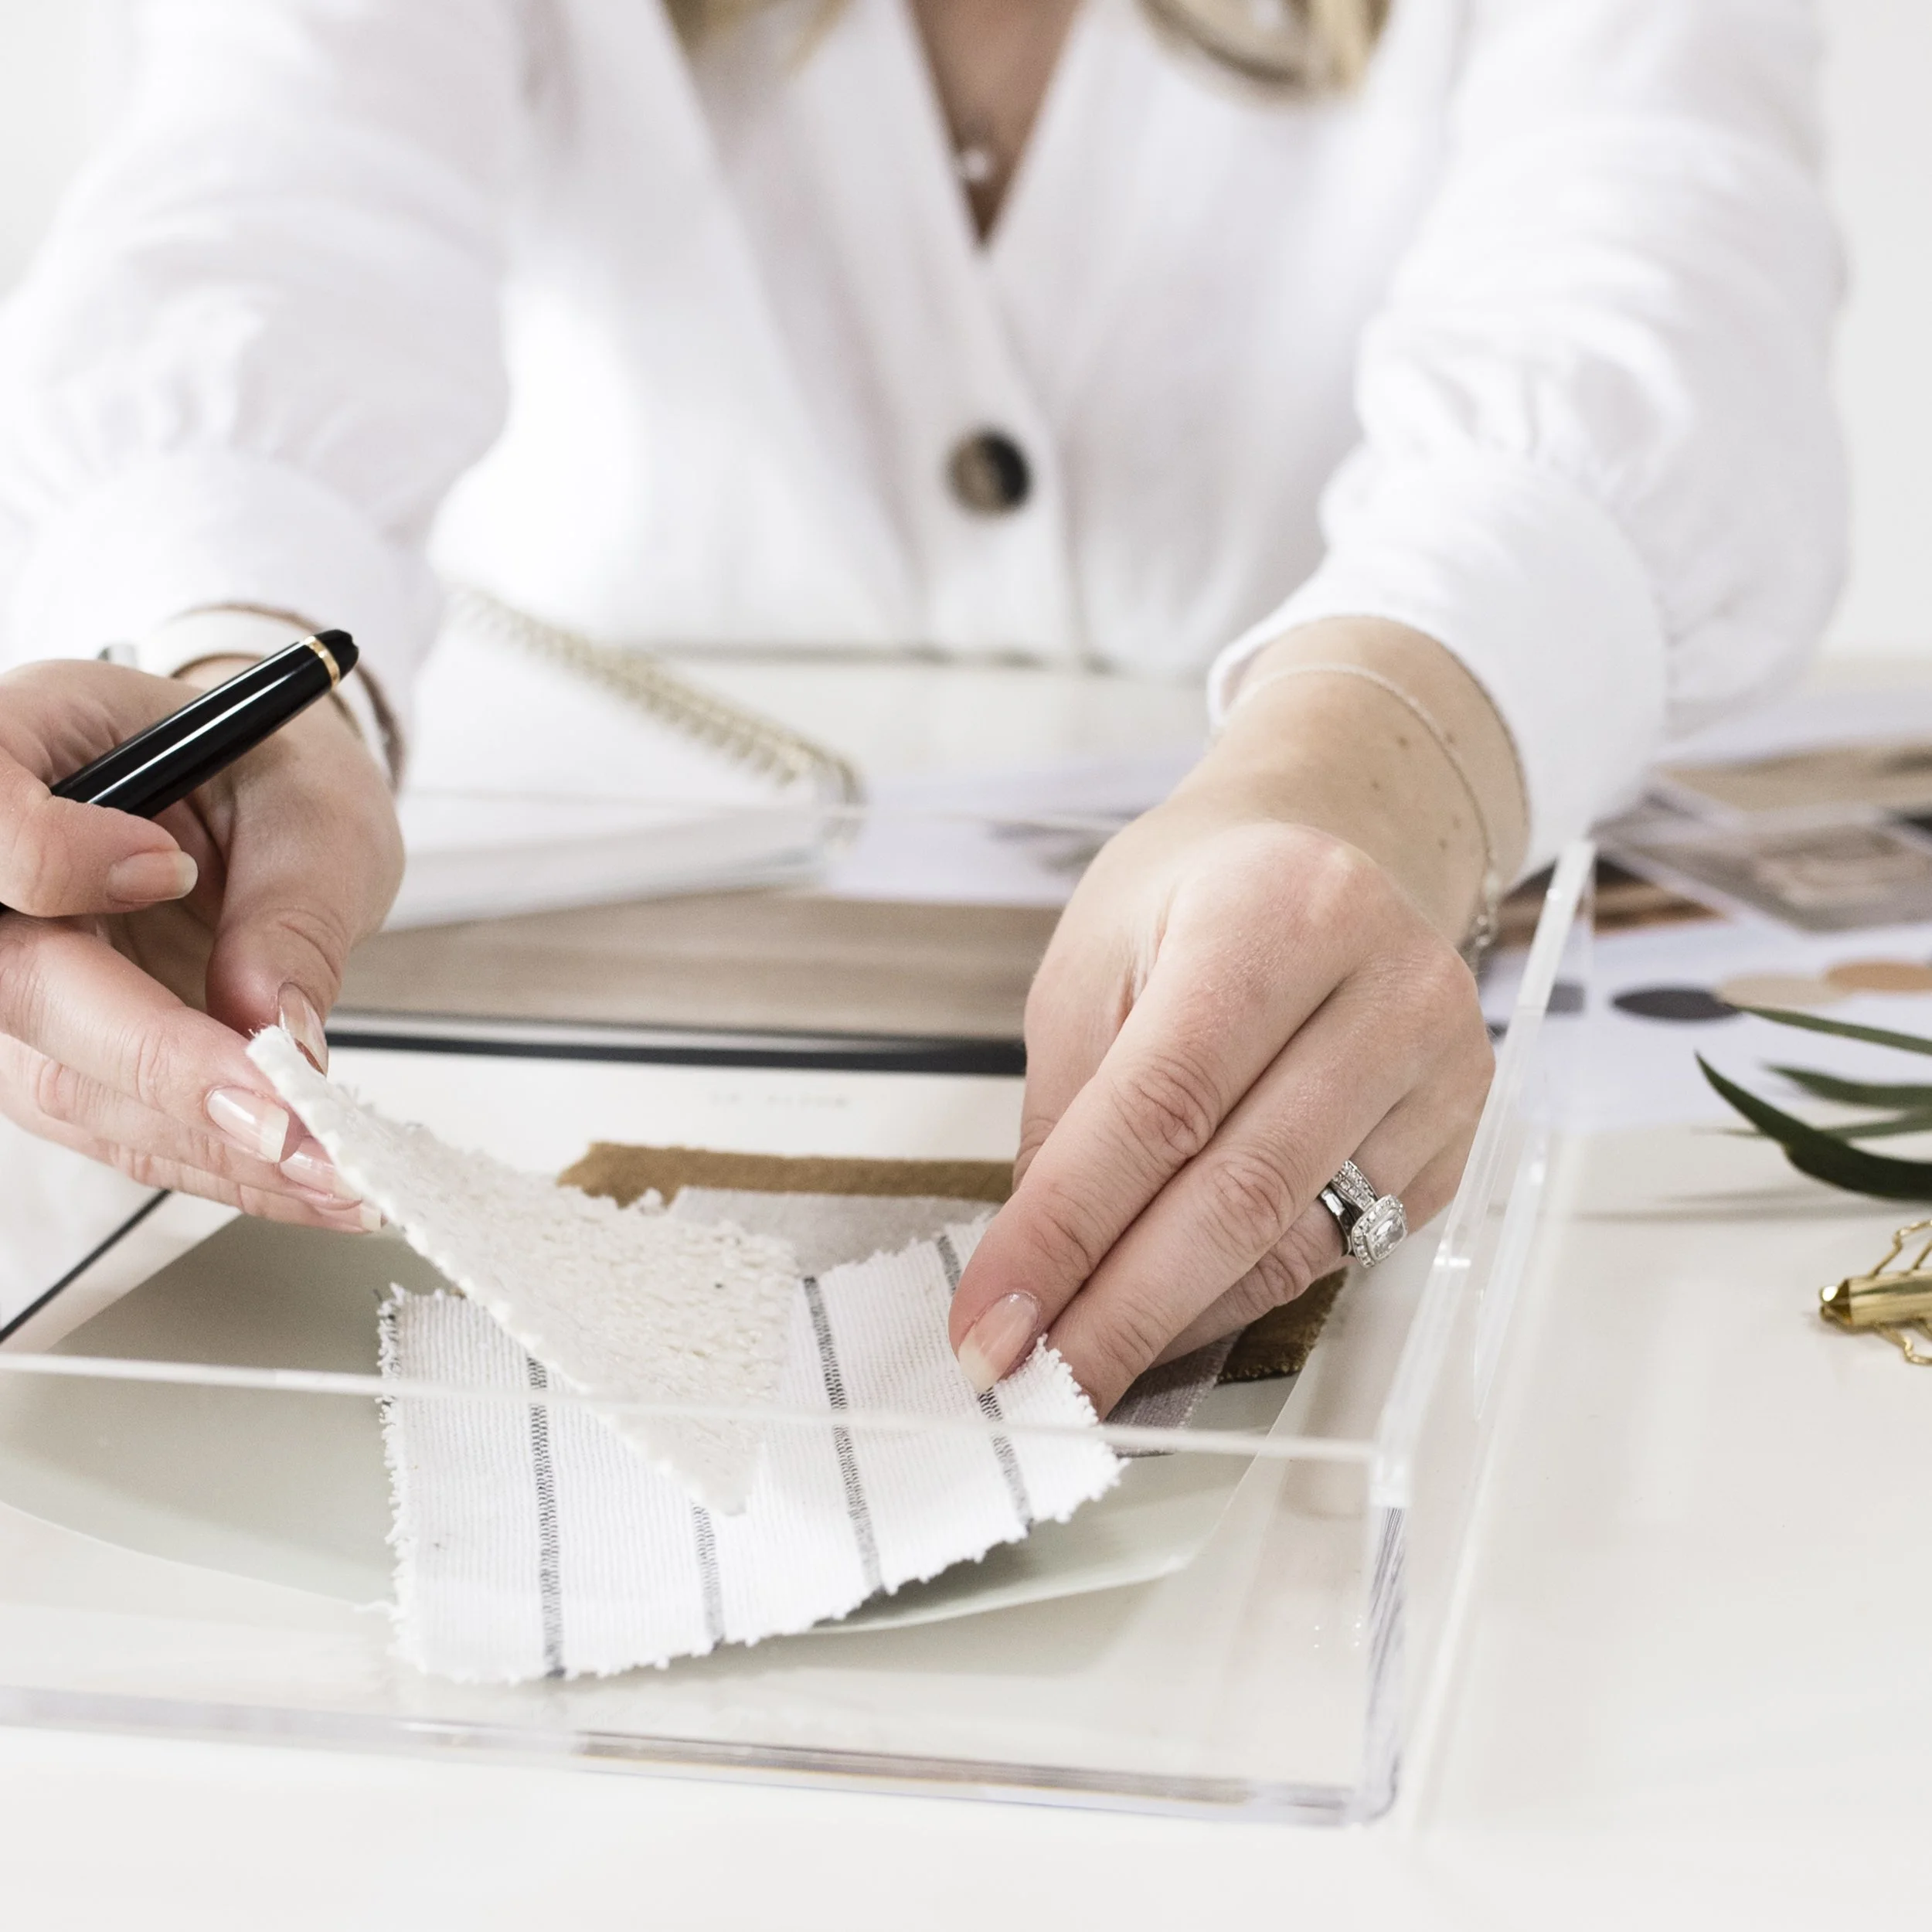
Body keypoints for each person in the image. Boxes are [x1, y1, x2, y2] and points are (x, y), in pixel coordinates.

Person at [0, 0, 1842, 1414]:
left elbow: (1660, 273)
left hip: (1388, 1057)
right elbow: (260, 215)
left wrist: (1375, 757)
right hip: (548, 1011)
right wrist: (221, 665)